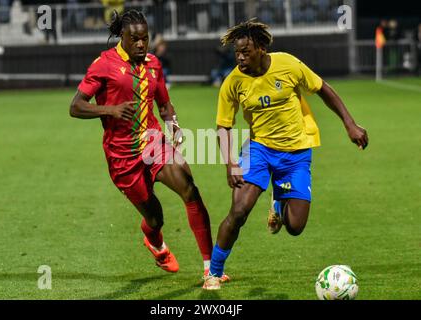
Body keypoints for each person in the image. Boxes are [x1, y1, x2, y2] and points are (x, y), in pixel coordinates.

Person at [203, 19, 368, 290]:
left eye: (245, 51)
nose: (240, 57)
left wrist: (350, 124)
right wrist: (230, 162)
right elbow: (223, 125)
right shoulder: (233, 82)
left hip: (296, 153)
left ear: (261, 49)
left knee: (294, 227)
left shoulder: (288, 65)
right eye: (237, 53)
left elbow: (323, 88)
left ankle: (278, 204)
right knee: (240, 209)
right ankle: (215, 271)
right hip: (259, 150)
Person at [70, 9, 229, 281]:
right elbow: (76, 106)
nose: (142, 44)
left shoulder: (153, 63)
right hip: (122, 156)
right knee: (155, 217)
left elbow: (165, 104)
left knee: (189, 189)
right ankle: (154, 241)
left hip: (153, 142)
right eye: (136, 39)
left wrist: (173, 125)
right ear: (123, 37)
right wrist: (110, 110)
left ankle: (210, 269)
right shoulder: (104, 64)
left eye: (145, 38)